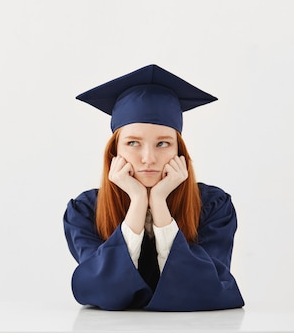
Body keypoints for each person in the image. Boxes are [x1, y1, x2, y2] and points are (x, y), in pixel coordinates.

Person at [63, 64, 244, 311]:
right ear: (115, 151)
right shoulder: (85, 211)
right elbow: (100, 289)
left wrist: (159, 204)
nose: (148, 158)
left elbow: (209, 290)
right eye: (133, 142)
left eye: (163, 143)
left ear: (179, 151)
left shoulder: (213, 206)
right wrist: (138, 202)